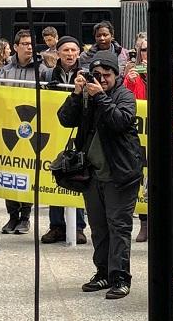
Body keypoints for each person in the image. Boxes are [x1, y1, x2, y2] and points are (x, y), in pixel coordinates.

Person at [58, 50, 145, 298]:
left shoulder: (124, 95)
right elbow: (65, 119)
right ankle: (103, 272)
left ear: (115, 75)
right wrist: (77, 94)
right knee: (98, 227)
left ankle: (120, 276)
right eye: (96, 75)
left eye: (106, 75)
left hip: (121, 173)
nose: (101, 79)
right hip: (93, 174)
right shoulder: (86, 95)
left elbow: (121, 121)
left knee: (119, 226)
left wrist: (102, 98)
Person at [0, 29, 48, 234]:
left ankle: (25, 217)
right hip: (11, 126)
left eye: (31, 44)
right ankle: (12, 216)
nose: (29, 47)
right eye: (24, 44)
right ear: (15, 47)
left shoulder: (42, 69)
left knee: (28, 172)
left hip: (32, 127)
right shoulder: (6, 70)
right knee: (10, 171)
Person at [41, 38, 89, 245]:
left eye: (73, 50)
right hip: (53, 130)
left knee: (77, 175)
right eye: (65, 50)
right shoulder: (48, 74)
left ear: (78, 52)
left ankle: (78, 227)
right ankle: (57, 226)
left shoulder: (86, 73)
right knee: (56, 174)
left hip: (77, 130)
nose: (69, 54)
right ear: (57, 53)